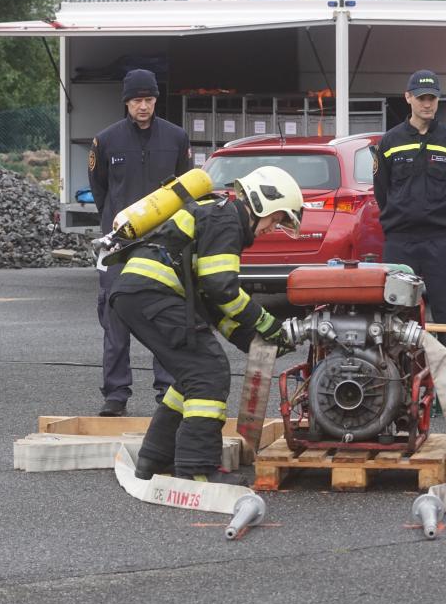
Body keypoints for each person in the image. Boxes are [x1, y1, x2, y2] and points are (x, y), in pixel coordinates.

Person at [109, 166, 302, 485]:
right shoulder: (227, 219)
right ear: (263, 202)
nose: (274, 228)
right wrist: (267, 324)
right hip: (152, 292)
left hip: (141, 293)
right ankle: (198, 468)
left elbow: (212, 306)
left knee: (192, 373)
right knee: (208, 372)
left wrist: (256, 342)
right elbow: (222, 288)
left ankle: (155, 458)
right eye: (277, 219)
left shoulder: (218, 214)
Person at [88, 69, 192, 417]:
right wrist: (114, 223)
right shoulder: (106, 141)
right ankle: (115, 395)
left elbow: (184, 188)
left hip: (164, 242)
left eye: (148, 100)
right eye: (136, 100)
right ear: (126, 103)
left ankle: (166, 391)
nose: (143, 106)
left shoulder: (176, 138)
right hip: (118, 246)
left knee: (163, 315)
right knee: (115, 318)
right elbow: (101, 191)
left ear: (156, 101)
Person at [372, 69, 446, 380]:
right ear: (408, 98)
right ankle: (398, 378)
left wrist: (440, 220)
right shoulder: (389, 142)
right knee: (397, 313)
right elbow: (382, 191)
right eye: (421, 98)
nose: (427, 104)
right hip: (401, 240)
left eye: (432, 98)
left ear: (438, 100)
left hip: (440, 240)